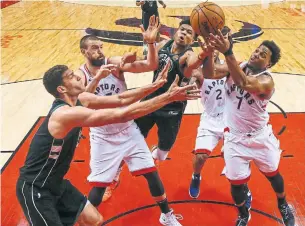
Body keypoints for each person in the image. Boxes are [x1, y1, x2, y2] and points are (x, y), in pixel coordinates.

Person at [16, 63, 200, 226]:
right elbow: (122, 115)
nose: (79, 76)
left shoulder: (83, 100)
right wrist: (168, 98)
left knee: (94, 220)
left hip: (57, 183)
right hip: (35, 188)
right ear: (62, 89)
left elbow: (121, 100)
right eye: (71, 76)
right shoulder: (64, 114)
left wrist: (156, 86)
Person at [207, 30, 295, 226]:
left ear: (269, 65)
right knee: (236, 183)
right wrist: (210, 51)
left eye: (263, 55)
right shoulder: (236, 66)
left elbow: (244, 82)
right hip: (235, 139)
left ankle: (282, 203)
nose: (257, 54)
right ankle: (243, 214)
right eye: (257, 50)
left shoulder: (266, 81)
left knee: (273, 175)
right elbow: (209, 72)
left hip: (260, 138)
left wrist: (228, 51)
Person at [76, 15, 160, 202]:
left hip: (125, 126)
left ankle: (166, 212)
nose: (100, 51)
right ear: (84, 51)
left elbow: (151, 65)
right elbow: (80, 102)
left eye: (101, 47)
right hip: (101, 133)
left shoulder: (112, 63)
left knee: (151, 173)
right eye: (94, 48)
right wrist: (97, 79)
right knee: (98, 186)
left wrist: (152, 44)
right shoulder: (80, 75)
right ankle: (111, 178)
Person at [135, 19, 209, 164]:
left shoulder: (189, 55)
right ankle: (115, 174)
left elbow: (194, 67)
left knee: (163, 153)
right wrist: (129, 60)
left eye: (189, 33)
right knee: (132, 137)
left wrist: (200, 62)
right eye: (182, 29)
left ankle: (157, 153)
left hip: (172, 107)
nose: (184, 33)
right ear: (176, 31)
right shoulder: (163, 45)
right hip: (152, 98)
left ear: (193, 40)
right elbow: (147, 61)